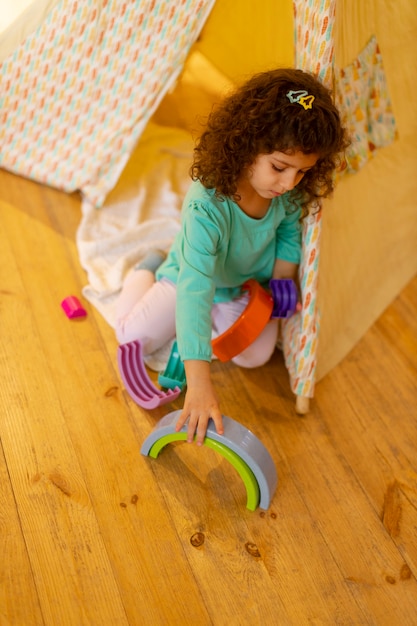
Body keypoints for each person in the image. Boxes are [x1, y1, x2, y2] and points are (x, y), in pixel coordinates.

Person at [115, 67, 348, 445]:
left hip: (240, 285)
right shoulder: (207, 204)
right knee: (129, 335)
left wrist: (283, 278)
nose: (289, 183)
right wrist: (199, 381)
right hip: (188, 277)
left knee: (255, 356)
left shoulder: (286, 193)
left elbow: (290, 231)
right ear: (247, 145)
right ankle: (146, 267)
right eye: (279, 167)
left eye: (302, 172)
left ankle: (199, 322)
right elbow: (195, 289)